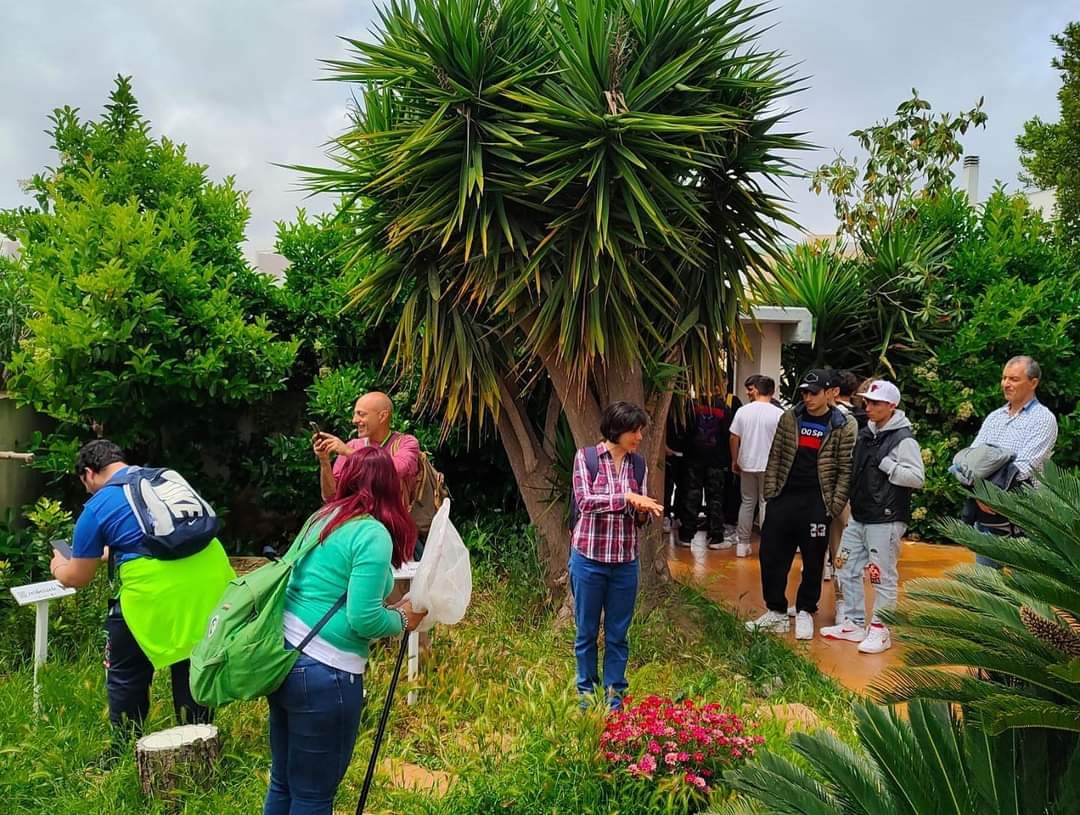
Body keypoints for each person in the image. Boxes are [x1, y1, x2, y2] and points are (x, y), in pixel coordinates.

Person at [264, 446, 426, 815]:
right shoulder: (371, 533)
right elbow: (363, 619)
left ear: (347, 477)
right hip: (325, 672)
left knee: (284, 782)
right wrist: (402, 621)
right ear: (390, 485)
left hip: (285, 657)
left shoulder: (323, 517)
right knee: (314, 795)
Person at [50, 440, 235, 749]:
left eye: (84, 484)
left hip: (156, 593)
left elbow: (77, 578)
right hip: (213, 581)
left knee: (126, 669)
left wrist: (59, 567)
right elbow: (160, 533)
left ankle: (123, 747)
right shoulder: (163, 478)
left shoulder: (98, 505)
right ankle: (200, 743)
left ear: (88, 473)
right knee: (192, 658)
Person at [745, 369, 857, 640]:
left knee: (814, 557)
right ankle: (776, 611)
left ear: (831, 393)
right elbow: (776, 456)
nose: (808, 398)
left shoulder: (842, 424)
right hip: (784, 496)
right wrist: (771, 494)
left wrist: (833, 504)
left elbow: (846, 468)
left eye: (814, 392)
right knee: (771, 553)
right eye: (804, 392)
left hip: (818, 500)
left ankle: (806, 609)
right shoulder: (790, 418)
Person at [570, 401, 663, 710]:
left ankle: (615, 700)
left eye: (640, 431)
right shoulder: (586, 458)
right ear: (617, 429)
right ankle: (586, 696)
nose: (639, 437)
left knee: (618, 634)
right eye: (634, 431)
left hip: (624, 562)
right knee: (586, 632)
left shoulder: (638, 466)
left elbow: (641, 517)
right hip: (589, 559)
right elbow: (585, 502)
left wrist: (641, 511)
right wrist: (625, 497)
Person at [821, 380, 924, 653]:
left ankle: (880, 628)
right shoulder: (867, 433)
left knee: (881, 576)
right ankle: (854, 623)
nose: (869, 407)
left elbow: (916, 478)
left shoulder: (903, 439)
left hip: (886, 518)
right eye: (867, 402)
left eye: (876, 403)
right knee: (844, 565)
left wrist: (888, 464)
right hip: (860, 515)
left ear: (892, 405)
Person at [961, 355, 1058, 566]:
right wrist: (980, 493)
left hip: (1026, 520)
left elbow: (1024, 467)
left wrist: (991, 495)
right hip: (987, 516)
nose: (1006, 384)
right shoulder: (994, 417)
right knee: (988, 591)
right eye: (1004, 378)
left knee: (1028, 591)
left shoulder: (1043, 419)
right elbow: (970, 458)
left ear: (1033, 383)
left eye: (1013, 379)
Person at [313, 391, 420, 505]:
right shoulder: (353, 445)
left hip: (392, 521)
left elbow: (395, 469)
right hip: (358, 521)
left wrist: (348, 452)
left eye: (361, 414)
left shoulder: (407, 443)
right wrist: (324, 461)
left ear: (382, 416)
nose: (354, 420)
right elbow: (331, 497)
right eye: (355, 414)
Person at [728, 375, 784, 558]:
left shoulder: (743, 411)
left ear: (757, 390)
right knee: (766, 502)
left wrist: (734, 460)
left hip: (746, 463)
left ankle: (742, 544)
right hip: (770, 465)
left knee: (747, 502)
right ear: (772, 392)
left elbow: (733, 437)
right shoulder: (779, 414)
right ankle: (768, 543)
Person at [676, 385, 737, 549]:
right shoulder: (724, 409)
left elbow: (684, 431)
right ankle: (716, 537)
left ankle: (686, 535)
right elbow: (728, 435)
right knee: (715, 498)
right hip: (716, 461)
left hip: (692, 459)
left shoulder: (690, 406)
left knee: (691, 495)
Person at [823, 370, 866, 589]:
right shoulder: (864, 415)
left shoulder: (836, 418)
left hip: (837, 487)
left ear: (833, 391)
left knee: (841, 534)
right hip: (850, 485)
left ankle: (838, 577)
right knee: (842, 535)